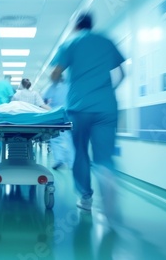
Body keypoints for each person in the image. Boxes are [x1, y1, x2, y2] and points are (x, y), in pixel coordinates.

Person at [50, 12, 125, 225]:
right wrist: (108, 91)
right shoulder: (107, 41)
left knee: (80, 152)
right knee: (104, 156)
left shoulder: (70, 43)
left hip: (79, 106)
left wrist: (63, 78)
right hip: (107, 106)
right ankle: (107, 179)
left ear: (76, 26)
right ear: (92, 24)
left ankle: (86, 197)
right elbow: (121, 74)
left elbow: (55, 75)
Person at [43, 75, 74, 170]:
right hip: (69, 113)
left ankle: (59, 160)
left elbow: (43, 100)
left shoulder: (52, 87)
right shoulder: (69, 86)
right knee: (70, 139)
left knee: (55, 138)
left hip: (56, 115)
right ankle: (72, 162)